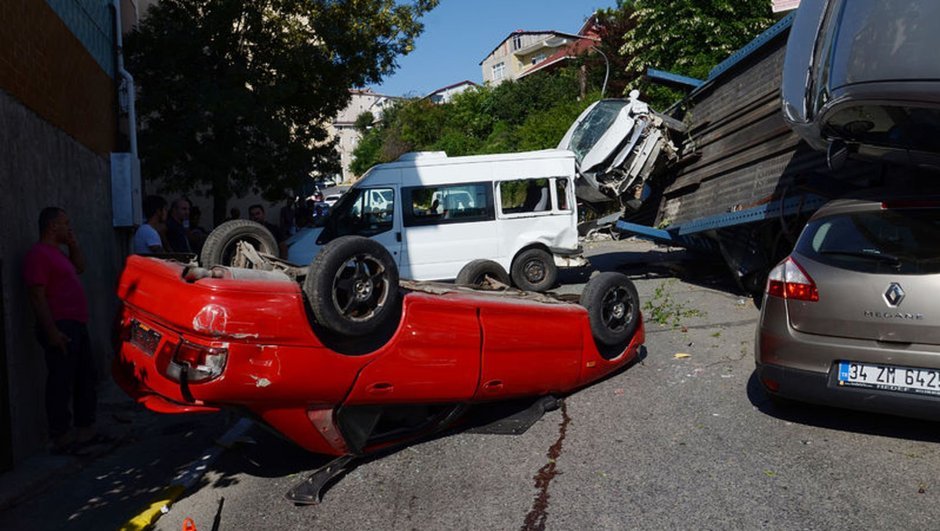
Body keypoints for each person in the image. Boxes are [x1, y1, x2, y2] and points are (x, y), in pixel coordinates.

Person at [24, 207, 100, 453]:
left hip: (77, 324)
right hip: (60, 325)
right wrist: (52, 331)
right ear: (51, 226)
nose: (70, 227)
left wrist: (74, 244)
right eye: (65, 223)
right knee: (61, 380)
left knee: (84, 377)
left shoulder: (59, 254)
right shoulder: (39, 254)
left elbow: (80, 267)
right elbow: (37, 295)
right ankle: (61, 436)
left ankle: (85, 431)